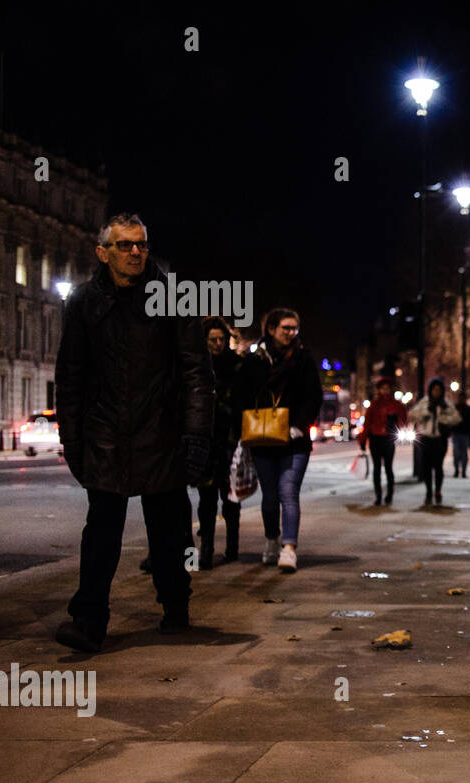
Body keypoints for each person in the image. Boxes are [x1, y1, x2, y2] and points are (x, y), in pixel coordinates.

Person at [53, 213, 213, 652]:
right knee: (101, 533)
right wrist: (72, 439)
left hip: (161, 435)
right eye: (124, 245)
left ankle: (176, 604)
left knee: (170, 531)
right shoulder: (84, 302)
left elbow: (197, 373)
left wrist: (196, 435)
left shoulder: (174, 298)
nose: (135, 252)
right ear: (103, 252)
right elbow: (70, 377)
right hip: (105, 435)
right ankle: (88, 621)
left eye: (140, 244)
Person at [234, 308, 322, 572]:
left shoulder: (303, 358)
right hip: (264, 439)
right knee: (270, 496)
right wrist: (247, 422)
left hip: (295, 440)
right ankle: (272, 539)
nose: (291, 333)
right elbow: (241, 395)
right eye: (285, 328)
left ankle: (289, 548)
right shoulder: (255, 361)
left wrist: (299, 426)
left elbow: (313, 396)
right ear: (271, 329)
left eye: (294, 328)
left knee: (288, 491)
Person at [196, 317, 244, 568]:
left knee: (231, 498)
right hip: (206, 439)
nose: (217, 344)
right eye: (212, 340)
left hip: (230, 439)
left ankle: (232, 547)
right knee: (206, 498)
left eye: (221, 339)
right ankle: (206, 549)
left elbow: (243, 401)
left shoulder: (237, 366)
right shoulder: (198, 366)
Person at [408, 377, 461, 507]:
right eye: (434, 389)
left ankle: (437, 491)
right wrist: (425, 414)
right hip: (426, 438)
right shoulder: (425, 402)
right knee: (426, 467)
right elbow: (412, 415)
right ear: (430, 390)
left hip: (439, 439)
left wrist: (443, 419)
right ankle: (428, 492)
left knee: (438, 467)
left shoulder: (446, 403)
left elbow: (456, 418)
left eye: (438, 389)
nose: (436, 392)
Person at [359, 377, 409, 506]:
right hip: (375, 439)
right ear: (379, 390)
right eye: (383, 388)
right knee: (376, 469)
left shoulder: (396, 405)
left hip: (388, 438)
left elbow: (404, 421)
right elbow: (367, 423)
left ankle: (390, 494)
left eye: (387, 388)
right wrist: (363, 440)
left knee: (388, 468)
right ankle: (378, 495)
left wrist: (396, 421)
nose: (385, 391)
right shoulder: (374, 405)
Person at [450, 396, 470, 479]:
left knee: (462, 454)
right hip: (458, 433)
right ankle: (457, 470)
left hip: (463, 433)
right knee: (457, 453)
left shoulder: (466, 409)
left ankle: (462, 471)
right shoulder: (456, 408)